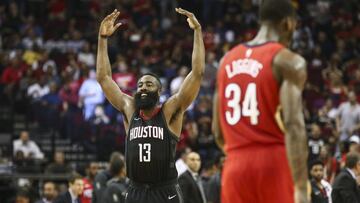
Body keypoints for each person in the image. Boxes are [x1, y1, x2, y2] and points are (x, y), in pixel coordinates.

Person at [96, 7, 205, 203]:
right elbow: (104, 78)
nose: (143, 88)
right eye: (139, 85)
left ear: (159, 91)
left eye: (149, 84)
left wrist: (197, 32)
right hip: (135, 190)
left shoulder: (170, 110)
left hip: (164, 191)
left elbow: (197, 73)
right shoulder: (130, 108)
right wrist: (102, 40)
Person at [212, 0, 308, 203]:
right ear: (288, 24)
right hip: (273, 162)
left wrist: (243, 153)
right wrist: (300, 187)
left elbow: (217, 132)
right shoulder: (288, 61)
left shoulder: (225, 61)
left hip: (234, 166)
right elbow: (293, 125)